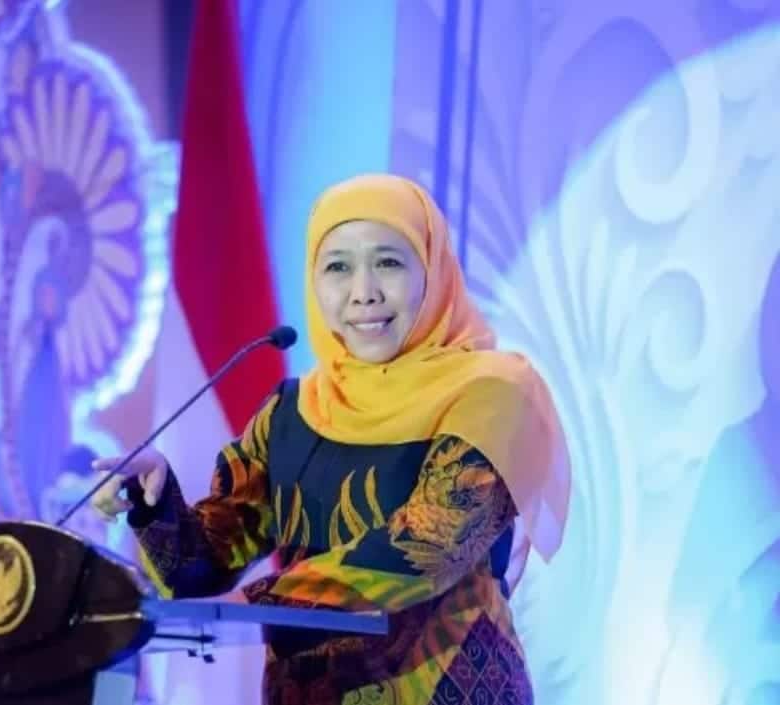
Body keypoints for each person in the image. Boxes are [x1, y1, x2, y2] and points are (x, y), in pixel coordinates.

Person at [91, 174, 571, 705]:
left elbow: (425, 550)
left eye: (388, 262)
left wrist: (256, 603)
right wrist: (155, 499)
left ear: (432, 269)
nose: (363, 291)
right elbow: (197, 570)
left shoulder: (494, 392)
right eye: (338, 266)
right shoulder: (294, 410)